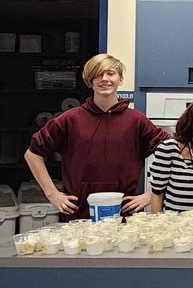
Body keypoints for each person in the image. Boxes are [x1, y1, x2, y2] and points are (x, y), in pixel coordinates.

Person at [24, 53, 168, 220]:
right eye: (98, 74)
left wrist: (151, 194)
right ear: (90, 80)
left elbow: (171, 154)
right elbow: (33, 154)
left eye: (110, 73)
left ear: (120, 79)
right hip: (78, 216)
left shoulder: (136, 121)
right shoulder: (70, 119)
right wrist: (52, 194)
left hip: (125, 217)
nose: (104, 79)